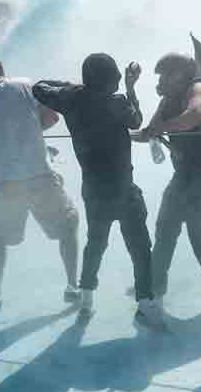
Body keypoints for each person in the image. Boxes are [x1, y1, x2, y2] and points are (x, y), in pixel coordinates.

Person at [33, 54, 164, 328]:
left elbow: (39, 87)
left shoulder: (70, 100)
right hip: (123, 189)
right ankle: (146, 303)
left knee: (96, 244)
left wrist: (72, 87)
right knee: (139, 247)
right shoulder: (116, 102)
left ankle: (87, 299)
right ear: (112, 76)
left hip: (93, 189)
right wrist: (130, 89)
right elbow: (136, 121)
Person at [0, 59, 80, 313]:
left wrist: (0, 141)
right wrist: (26, 131)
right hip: (39, 176)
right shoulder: (26, 85)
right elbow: (52, 117)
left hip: (4, 183)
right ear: (1, 74)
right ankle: (73, 286)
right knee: (68, 225)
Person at [135, 53, 201, 315]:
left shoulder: (199, 89)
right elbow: (151, 130)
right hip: (184, 174)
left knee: (199, 233)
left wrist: (162, 128)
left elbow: (195, 115)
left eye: (164, 75)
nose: (160, 81)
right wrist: (124, 134)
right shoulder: (167, 100)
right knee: (165, 230)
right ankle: (155, 291)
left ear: (179, 75)